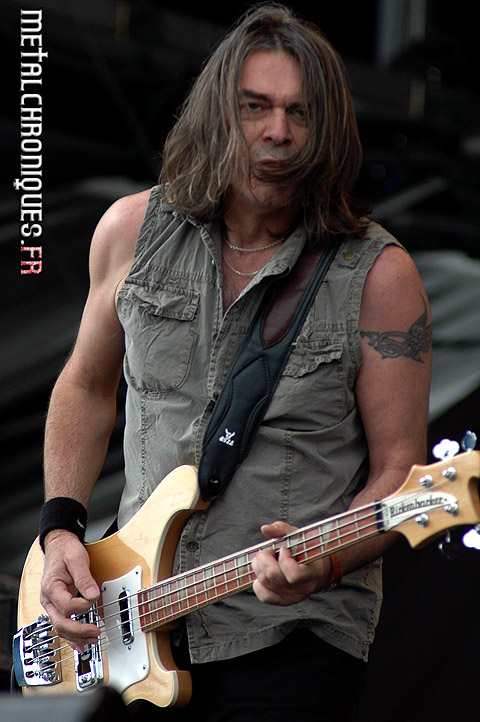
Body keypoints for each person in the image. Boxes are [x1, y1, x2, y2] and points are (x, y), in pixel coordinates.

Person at [38, 4, 432, 720]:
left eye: (300, 112)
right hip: (138, 623)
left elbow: (401, 472)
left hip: (294, 636)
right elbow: (86, 386)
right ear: (218, 113)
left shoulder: (380, 277)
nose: (278, 131)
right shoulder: (131, 231)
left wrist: (326, 561)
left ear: (328, 129)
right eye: (255, 107)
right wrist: (61, 527)